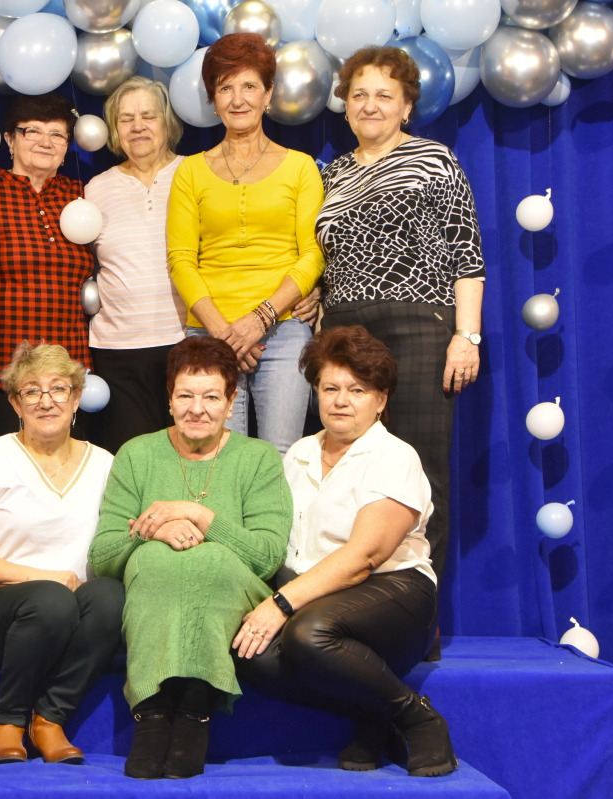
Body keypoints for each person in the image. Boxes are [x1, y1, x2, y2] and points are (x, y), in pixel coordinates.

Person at [234, 326, 456, 777]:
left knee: (306, 634)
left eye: (357, 390)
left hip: (394, 595)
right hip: (315, 596)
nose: (341, 400)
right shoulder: (297, 454)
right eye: (330, 388)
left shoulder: (394, 456)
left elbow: (363, 558)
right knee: (247, 652)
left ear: (381, 399)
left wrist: (279, 604)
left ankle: (416, 717)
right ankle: (371, 714)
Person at [317, 47, 485, 638]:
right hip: (342, 330)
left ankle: (416, 626)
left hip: (419, 325)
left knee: (418, 471)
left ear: (407, 106)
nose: (370, 105)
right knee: (347, 471)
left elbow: (467, 256)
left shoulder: (435, 159)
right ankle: (345, 613)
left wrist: (466, 335)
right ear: (345, 106)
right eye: (359, 94)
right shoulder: (331, 173)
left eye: (384, 95)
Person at [89, 336, 291, 780]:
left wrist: (199, 515)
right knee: (155, 561)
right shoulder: (136, 454)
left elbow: (267, 557)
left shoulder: (259, 459)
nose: (197, 409)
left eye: (211, 397)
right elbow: (103, 555)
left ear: (232, 402)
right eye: (185, 396)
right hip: (155, 584)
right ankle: (153, 713)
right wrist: (154, 531)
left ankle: (195, 710)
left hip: (232, 587)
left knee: (210, 562)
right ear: (169, 399)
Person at [0, 343, 123, 765]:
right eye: (31, 391)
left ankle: (50, 719)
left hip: (69, 618)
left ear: (76, 398)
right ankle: (6, 720)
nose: (46, 401)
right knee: (50, 599)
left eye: (58, 388)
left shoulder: (106, 464)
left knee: (112, 596)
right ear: (14, 402)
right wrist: (42, 577)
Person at [166, 32, 325, 456]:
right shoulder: (190, 172)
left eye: (249, 86)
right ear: (213, 99)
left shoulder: (300, 167)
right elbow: (181, 260)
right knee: (214, 456)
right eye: (225, 88)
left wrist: (261, 317)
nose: (238, 99)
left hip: (284, 329)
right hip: (209, 334)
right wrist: (223, 334)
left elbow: (312, 254)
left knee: (279, 456)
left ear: (268, 94)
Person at [0, 94, 97, 444]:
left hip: (68, 369)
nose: (46, 141)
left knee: (67, 464)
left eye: (57, 134)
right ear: (10, 139)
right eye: (32, 131)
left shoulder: (82, 195)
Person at [84, 77, 187, 454]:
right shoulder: (95, 188)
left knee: (190, 460)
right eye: (126, 119)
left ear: (167, 122)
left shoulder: (196, 173)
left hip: (186, 342)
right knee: (132, 461)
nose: (137, 126)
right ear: (114, 130)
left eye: (148, 116)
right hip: (118, 351)